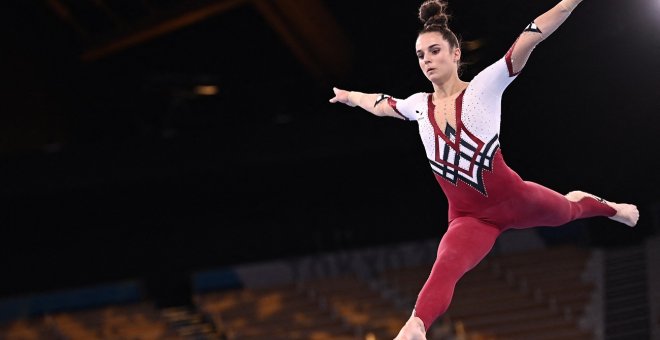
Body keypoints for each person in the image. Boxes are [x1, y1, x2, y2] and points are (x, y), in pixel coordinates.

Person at [328, 0, 640, 339]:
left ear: (456, 53)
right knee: (446, 263)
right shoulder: (418, 105)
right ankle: (416, 326)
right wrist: (348, 96)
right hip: (470, 217)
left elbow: (531, 35)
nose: (427, 60)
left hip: (515, 198)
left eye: (434, 51)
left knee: (570, 210)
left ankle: (612, 209)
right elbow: (379, 104)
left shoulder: (484, 86)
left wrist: (570, 1)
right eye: (421, 55)